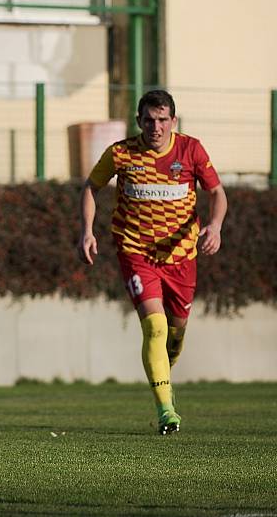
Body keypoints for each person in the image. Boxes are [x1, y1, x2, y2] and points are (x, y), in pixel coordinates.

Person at [78, 89, 227, 435]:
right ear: (138, 121)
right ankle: (166, 411)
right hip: (136, 253)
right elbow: (90, 187)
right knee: (155, 327)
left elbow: (217, 192)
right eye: (149, 120)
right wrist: (87, 231)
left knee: (175, 333)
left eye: (162, 120)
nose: (155, 127)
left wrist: (215, 226)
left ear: (173, 121)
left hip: (181, 257)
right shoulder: (121, 154)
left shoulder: (191, 150)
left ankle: (165, 375)